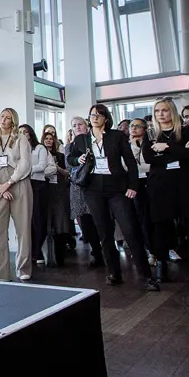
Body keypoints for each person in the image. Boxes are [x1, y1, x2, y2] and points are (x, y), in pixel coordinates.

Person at [69, 105, 159, 291]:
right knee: (104, 233)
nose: (95, 117)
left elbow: (130, 162)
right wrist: (79, 160)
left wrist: (133, 185)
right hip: (93, 188)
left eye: (99, 115)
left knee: (130, 230)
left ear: (106, 118)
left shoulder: (116, 136)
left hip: (117, 187)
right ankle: (113, 273)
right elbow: (71, 158)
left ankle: (147, 276)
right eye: (92, 115)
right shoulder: (82, 139)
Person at [143, 97, 189, 285]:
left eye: (164, 110)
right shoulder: (151, 133)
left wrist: (166, 147)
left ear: (172, 111)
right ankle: (161, 266)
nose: (161, 114)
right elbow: (149, 158)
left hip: (186, 183)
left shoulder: (184, 130)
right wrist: (180, 152)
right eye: (157, 111)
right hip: (161, 185)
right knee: (161, 226)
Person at [0, 108, 33, 282]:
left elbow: (25, 163)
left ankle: (23, 268)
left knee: (23, 228)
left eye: (8, 117)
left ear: (13, 121)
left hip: (19, 182)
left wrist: (9, 183)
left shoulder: (21, 139)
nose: (3, 119)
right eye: (2, 116)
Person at [67, 116, 103, 268]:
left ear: (87, 126)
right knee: (87, 222)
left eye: (80, 124)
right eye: (74, 125)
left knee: (100, 219)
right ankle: (97, 253)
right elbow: (69, 164)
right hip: (78, 187)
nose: (77, 127)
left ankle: (106, 250)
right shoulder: (70, 146)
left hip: (96, 184)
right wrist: (78, 160)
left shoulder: (94, 141)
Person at [21, 124, 52, 267]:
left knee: (39, 219)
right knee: (26, 220)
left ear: (30, 134)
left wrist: (26, 170)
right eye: (20, 132)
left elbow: (42, 165)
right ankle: (30, 250)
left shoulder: (39, 148)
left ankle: (38, 249)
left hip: (38, 185)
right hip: (23, 184)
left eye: (25, 132)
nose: (22, 134)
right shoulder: (18, 149)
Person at [42, 129, 72, 266]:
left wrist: (57, 168)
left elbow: (67, 173)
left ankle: (60, 255)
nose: (49, 141)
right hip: (45, 190)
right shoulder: (39, 155)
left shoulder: (60, 156)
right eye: (46, 138)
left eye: (51, 138)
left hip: (59, 190)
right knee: (47, 222)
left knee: (61, 222)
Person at [128, 118, 153, 263]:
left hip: (150, 181)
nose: (134, 128)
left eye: (138, 126)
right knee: (137, 218)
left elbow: (151, 164)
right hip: (133, 184)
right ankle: (142, 249)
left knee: (150, 217)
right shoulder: (125, 145)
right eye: (132, 126)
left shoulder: (150, 144)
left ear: (144, 129)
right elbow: (125, 165)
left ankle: (155, 250)